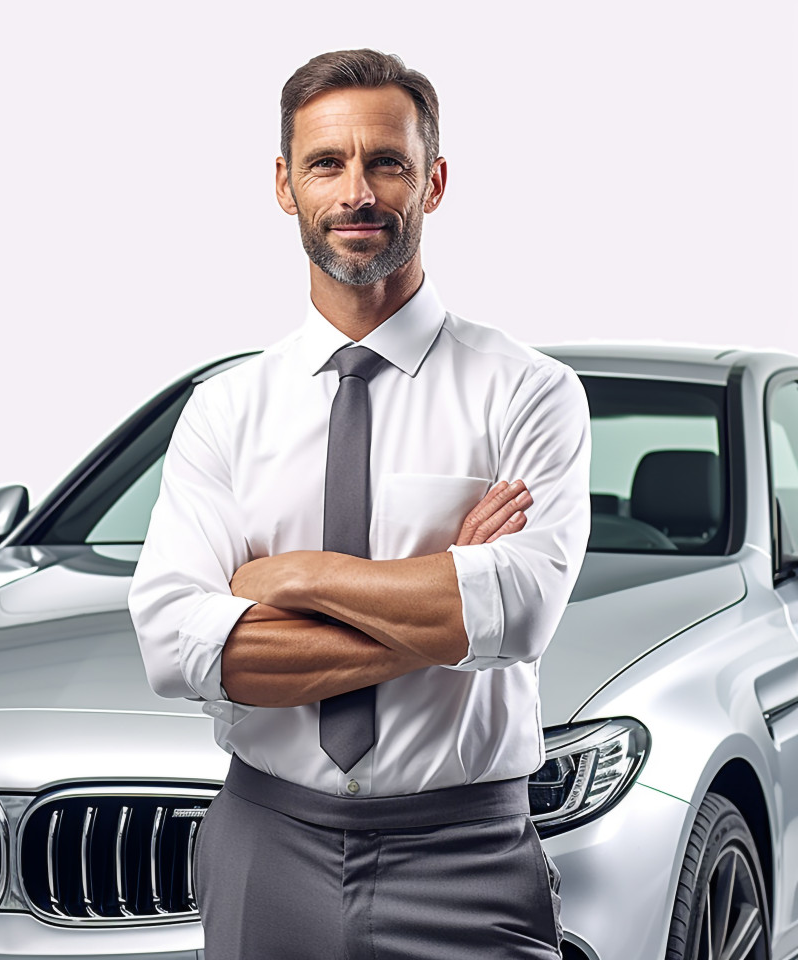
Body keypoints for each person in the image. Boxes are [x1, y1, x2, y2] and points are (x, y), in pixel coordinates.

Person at [128, 48, 591, 960]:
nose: (357, 193)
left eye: (387, 161)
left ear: (435, 181)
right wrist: (444, 598)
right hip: (266, 838)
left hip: (466, 850)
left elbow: (522, 613)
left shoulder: (528, 392)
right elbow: (177, 646)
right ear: (283, 184)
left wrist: (296, 577)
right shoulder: (226, 408)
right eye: (326, 164)